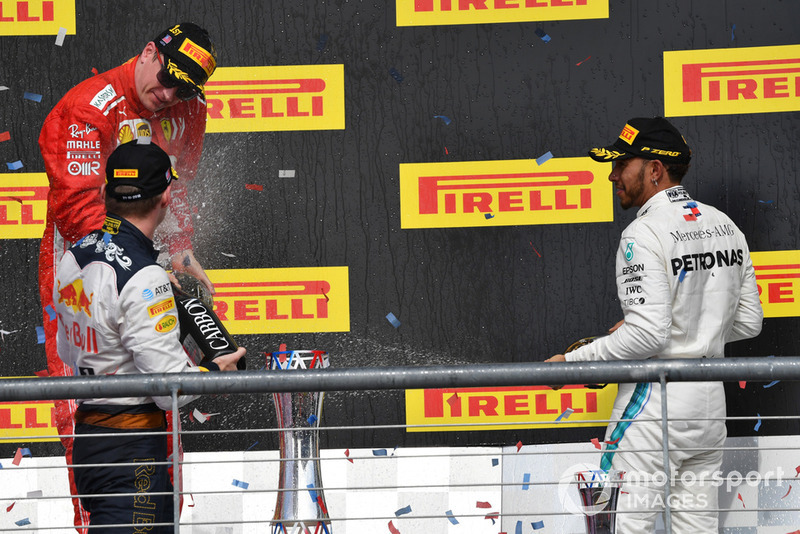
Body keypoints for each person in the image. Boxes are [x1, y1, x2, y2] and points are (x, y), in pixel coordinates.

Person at [38, 22, 217, 528]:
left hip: (147, 262)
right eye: (166, 79)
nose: (169, 95)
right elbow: (78, 217)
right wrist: (150, 264)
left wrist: (179, 251)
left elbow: (176, 190)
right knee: (86, 408)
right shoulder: (86, 109)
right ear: (147, 52)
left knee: (163, 398)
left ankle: (159, 524)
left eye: (183, 88)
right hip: (81, 272)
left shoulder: (189, 107)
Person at [546, 117, 763, 533]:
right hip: (709, 408)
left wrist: (573, 360)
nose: (612, 175)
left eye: (622, 163)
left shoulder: (642, 233)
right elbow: (750, 322)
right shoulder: (726, 227)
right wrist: (686, 328)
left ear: (654, 169)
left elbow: (648, 334)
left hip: (655, 407)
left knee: (623, 527)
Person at [54, 140, 246, 533]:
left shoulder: (74, 255)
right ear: (165, 197)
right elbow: (167, 388)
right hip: (132, 447)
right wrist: (214, 369)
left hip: (91, 438)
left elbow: (67, 349)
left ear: (105, 193)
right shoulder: (145, 276)